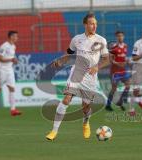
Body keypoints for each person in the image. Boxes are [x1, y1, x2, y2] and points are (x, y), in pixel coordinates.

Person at [46, 13, 109, 141]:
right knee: (66, 99)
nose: (94, 26)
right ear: (85, 24)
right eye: (91, 23)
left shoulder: (101, 40)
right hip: (76, 73)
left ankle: (86, 123)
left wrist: (97, 67)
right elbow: (69, 53)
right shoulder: (76, 39)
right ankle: (54, 131)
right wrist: (60, 61)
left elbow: (107, 59)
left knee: (85, 107)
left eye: (95, 24)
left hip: (90, 77)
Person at [0, 31, 21, 116]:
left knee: (12, 88)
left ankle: (13, 110)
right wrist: (11, 60)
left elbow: (11, 57)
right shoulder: (4, 46)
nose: (17, 38)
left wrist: (14, 60)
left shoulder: (13, 46)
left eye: (17, 36)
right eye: (15, 36)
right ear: (11, 37)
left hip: (9, 70)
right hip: (1, 70)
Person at [105, 31, 130, 111]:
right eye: (118, 36)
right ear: (116, 37)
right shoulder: (114, 47)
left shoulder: (125, 46)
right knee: (114, 89)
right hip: (115, 72)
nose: (120, 37)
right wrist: (117, 63)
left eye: (121, 36)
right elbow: (110, 59)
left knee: (128, 85)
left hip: (123, 71)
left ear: (124, 37)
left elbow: (124, 57)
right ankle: (108, 105)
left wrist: (127, 61)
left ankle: (120, 101)